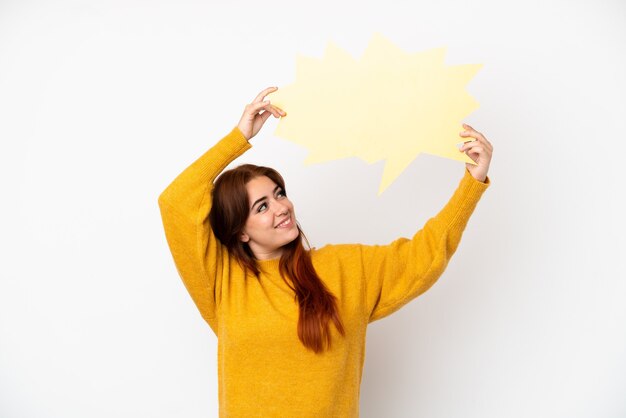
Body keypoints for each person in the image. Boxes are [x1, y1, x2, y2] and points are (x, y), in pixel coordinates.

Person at [158, 86, 492, 417]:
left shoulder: (343, 268)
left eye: (279, 194)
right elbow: (175, 203)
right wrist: (239, 137)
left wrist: (471, 182)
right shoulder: (223, 283)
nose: (281, 207)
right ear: (240, 231)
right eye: (261, 206)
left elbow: (424, 256)